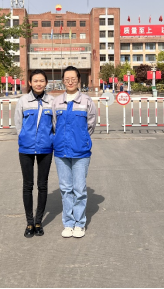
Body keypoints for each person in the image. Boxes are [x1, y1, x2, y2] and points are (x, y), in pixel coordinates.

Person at [52, 66, 97, 238]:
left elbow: (91, 124)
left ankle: (79, 223)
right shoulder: (57, 102)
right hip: (61, 151)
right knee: (65, 188)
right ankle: (68, 223)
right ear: (63, 80)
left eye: (73, 78)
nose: (70, 81)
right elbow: (54, 124)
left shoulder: (86, 101)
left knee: (79, 189)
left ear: (79, 80)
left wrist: (81, 138)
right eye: (67, 79)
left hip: (81, 151)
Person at [14, 70, 54, 238]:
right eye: (35, 81)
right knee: (28, 185)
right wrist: (24, 138)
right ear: (30, 83)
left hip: (46, 148)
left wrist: (51, 140)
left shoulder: (51, 101)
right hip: (26, 148)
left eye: (41, 81)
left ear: (46, 83)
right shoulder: (23, 101)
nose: (38, 83)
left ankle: (38, 222)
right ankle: (29, 222)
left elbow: (55, 124)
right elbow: (18, 124)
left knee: (42, 185)